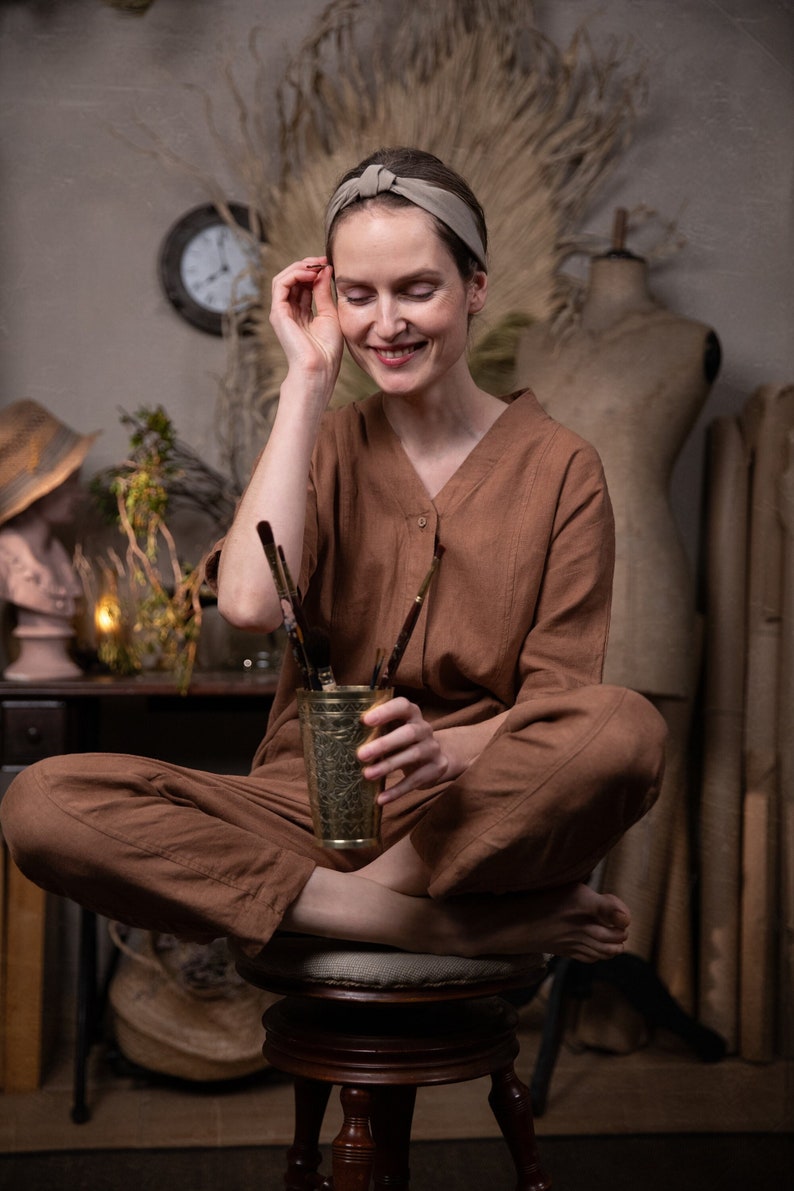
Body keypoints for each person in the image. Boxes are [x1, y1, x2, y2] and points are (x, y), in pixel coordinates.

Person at [0, 148, 667, 964]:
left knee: (628, 729)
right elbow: (248, 603)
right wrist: (307, 381)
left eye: (418, 289)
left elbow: (563, 708)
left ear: (476, 288)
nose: (386, 325)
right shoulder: (320, 445)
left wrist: (449, 747)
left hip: (466, 819)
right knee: (39, 803)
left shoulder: (563, 468)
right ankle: (416, 923)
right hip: (296, 811)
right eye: (360, 296)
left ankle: (369, 896)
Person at [0, 400, 99, 680]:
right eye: (69, 484)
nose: (79, 495)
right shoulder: (6, 560)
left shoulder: (55, 553)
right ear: (39, 493)